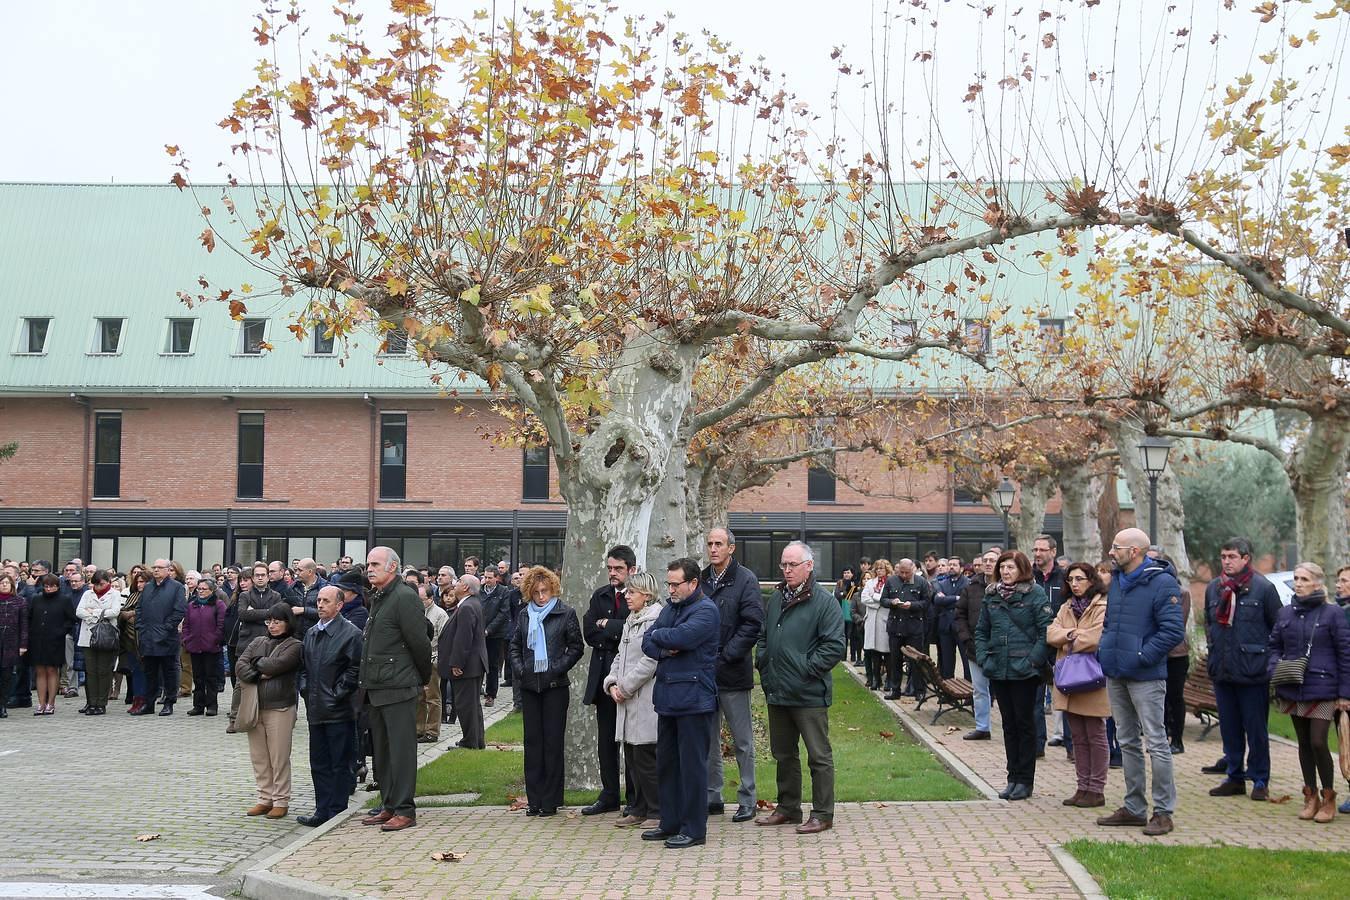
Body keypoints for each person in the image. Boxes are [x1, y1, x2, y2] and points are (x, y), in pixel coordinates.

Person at [1095, 528, 1185, 836]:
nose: (1111, 552)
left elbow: (1173, 631)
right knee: (1127, 741)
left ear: (1134, 551)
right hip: (1116, 672)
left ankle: (1163, 812)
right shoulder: (1118, 581)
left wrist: (1142, 656)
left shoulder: (1162, 583)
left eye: (1116, 547)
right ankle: (1134, 808)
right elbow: (1110, 623)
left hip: (1145, 676)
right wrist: (1105, 650)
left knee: (1156, 742)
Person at [754, 541, 846, 835]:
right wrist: (764, 664)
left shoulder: (824, 601)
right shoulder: (777, 598)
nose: (787, 570)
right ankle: (788, 808)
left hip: (808, 694)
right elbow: (764, 637)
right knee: (783, 754)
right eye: (783, 564)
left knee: (818, 756)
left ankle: (822, 813)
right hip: (778, 690)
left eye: (792, 564)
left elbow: (834, 647)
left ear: (809, 566)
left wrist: (806, 670)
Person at [634, 557, 720, 850]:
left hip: (695, 700)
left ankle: (694, 829)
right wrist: (663, 642)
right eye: (668, 583)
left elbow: (684, 637)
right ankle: (669, 822)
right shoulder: (670, 609)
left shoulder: (706, 611)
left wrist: (663, 639)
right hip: (668, 699)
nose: (670, 589)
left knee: (692, 767)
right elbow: (647, 642)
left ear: (693, 583)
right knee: (667, 766)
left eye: (675, 584)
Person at [1267, 562, 1350, 823]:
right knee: (1303, 744)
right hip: (1292, 686)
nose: (1299, 583)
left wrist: (1345, 693)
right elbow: (1273, 646)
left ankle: (1328, 798)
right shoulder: (1285, 613)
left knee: (1318, 742)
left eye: (1304, 579)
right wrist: (1275, 667)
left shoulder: (1332, 614)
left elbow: (1345, 654)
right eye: (1296, 578)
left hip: (1324, 688)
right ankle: (1310, 795)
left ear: (1317, 583)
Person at [359, 546, 433, 832]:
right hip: (378, 686)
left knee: (401, 752)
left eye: (375, 564)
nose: (370, 569)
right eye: (368, 564)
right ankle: (389, 804)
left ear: (393, 567)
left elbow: (419, 643)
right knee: (383, 752)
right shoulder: (379, 597)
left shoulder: (404, 597)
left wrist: (421, 677)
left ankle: (404, 809)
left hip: (399, 686)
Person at [1204, 537, 1282, 802]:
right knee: (1229, 728)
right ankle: (1234, 776)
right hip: (1223, 670)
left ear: (1246, 558)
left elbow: (1278, 630)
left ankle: (1260, 779)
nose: (1226, 561)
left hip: (1253, 672)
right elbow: (1209, 625)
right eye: (1223, 556)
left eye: (1232, 557)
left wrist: (1268, 661)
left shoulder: (1263, 588)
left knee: (1256, 729)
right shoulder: (1214, 588)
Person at [975, 550, 1052, 801]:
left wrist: (1032, 661)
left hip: (1024, 670)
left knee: (1024, 724)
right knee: (1008, 726)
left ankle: (1025, 780)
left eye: (1011, 567)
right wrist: (985, 658)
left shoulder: (1035, 594)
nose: (1006, 572)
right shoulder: (992, 595)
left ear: (1022, 570)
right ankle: (1012, 777)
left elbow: (1045, 632)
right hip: (998, 667)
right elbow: (981, 631)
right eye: (1003, 567)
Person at [509, 565, 584, 817]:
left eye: (546, 591)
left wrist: (555, 669)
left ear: (553, 590)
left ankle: (551, 800)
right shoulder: (523, 615)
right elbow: (515, 646)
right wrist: (520, 670)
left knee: (552, 742)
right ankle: (534, 799)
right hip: (530, 685)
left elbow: (576, 647)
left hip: (554, 686)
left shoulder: (565, 613)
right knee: (532, 743)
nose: (541, 597)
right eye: (537, 592)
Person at [701, 527, 763, 823]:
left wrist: (726, 656)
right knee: (708, 739)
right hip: (704, 672)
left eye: (719, 544)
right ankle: (713, 796)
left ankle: (747, 798)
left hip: (733, 671)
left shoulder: (745, 579)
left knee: (742, 740)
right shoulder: (701, 579)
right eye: (710, 544)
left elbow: (752, 624)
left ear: (731, 548)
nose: (713, 549)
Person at [297, 585, 364, 826]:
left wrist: (338, 693)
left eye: (326, 601)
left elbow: (355, 668)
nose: (320, 605)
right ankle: (321, 809)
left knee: (340, 763)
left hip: (339, 711)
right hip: (316, 709)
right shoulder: (312, 632)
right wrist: (305, 689)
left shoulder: (351, 633)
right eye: (318, 601)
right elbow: (304, 666)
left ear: (339, 605)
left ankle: (337, 811)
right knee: (319, 763)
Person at [603, 571, 664, 827]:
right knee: (631, 756)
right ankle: (638, 807)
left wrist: (625, 687)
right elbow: (621, 655)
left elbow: (649, 661)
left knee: (646, 756)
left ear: (646, 595)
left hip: (645, 698)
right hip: (627, 699)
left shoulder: (656, 619)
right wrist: (612, 682)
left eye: (632, 592)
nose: (627, 596)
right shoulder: (631, 619)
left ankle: (656, 810)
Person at [1046, 562, 1110, 807]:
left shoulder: (1103, 606)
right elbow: (1051, 634)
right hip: (1068, 679)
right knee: (1078, 737)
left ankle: (1097, 789)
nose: (1074, 584)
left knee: (1095, 734)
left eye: (1080, 579)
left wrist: (1068, 636)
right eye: (1071, 580)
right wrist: (1072, 636)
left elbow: (1096, 638)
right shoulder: (1066, 606)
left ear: (1091, 581)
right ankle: (1082, 786)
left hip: (1092, 678)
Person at [580, 545, 637, 816]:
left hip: (630, 680)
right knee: (606, 741)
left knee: (634, 741)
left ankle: (636, 797)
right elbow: (589, 632)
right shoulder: (600, 595)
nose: (613, 573)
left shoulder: (639, 597)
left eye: (619, 569)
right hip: (603, 677)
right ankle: (610, 794)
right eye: (610, 568)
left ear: (631, 570)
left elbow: (633, 631)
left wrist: (609, 626)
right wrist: (612, 630)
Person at [235, 603, 303, 819]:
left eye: (277, 621)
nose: (272, 625)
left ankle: (281, 799)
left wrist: (258, 665)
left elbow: (278, 665)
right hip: (255, 706)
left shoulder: (295, 645)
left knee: (279, 756)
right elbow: (240, 665)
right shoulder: (257, 641)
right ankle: (265, 797)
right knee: (259, 756)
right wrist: (257, 672)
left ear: (287, 623)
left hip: (281, 706)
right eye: (269, 621)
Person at [227, 563, 284, 732]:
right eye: (257, 575)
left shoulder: (276, 595)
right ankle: (234, 719)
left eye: (263, 575)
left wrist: (257, 613)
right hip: (246, 643)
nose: (260, 577)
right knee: (241, 682)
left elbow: (278, 615)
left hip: (269, 642)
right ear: (252, 578)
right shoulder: (245, 595)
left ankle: (266, 718)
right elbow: (243, 614)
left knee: (268, 681)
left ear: (268, 577)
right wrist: (268, 613)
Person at [439, 571, 488, 750]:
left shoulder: (467, 606)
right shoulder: (471, 604)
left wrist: (457, 663)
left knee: (466, 705)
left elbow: (464, 638)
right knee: (472, 705)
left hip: (468, 665)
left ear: (466, 587)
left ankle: (470, 741)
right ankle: (476, 740)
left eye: (458, 581)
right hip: (474, 664)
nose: (455, 583)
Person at [135, 560, 188, 717]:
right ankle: (149, 703)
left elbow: (179, 611)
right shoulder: (149, 587)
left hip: (167, 638)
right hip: (147, 637)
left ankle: (168, 703)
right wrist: (140, 627)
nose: (156, 570)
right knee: (150, 672)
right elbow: (139, 608)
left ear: (168, 570)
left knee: (169, 672)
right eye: (154, 567)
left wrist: (166, 629)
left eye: (160, 568)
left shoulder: (176, 587)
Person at [956, 549, 999, 741]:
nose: (988, 563)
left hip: (1001, 648)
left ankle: (1010, 728)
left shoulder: (1008, 586)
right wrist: (966, 638)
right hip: (975, 647)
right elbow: (960, 615)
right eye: (985, 560)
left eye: (992, 560)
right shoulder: (971, 587)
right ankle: (982, 727)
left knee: (1004, 691)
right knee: (979, 690)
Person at [880, 558, 932, 700]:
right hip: (896, 627)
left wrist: (912, 605)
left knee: (916, 661)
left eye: (907, 573)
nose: (903, 575)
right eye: (901, 572)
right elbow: (883, 600)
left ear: (913, 570)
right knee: (895, 660)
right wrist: (892, 602)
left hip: (914, 627)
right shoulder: (891, 581)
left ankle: (919, 690)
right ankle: (895, 690)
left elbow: (927, 603)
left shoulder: (921, 582)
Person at [74, 570, 123, 716]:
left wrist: (93, 613)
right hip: (88, 637)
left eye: (101, 584)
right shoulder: (87, 594)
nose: (99, 587)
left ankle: (101, 703)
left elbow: (114, 612)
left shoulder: (114, 594)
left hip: (105, 637)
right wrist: (101, 613)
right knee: (91, 671)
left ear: (108, 582)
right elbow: (79, 611)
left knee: (104, 670)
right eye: (96, 584)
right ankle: (91, 702)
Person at [181, 576, 226, 716]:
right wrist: (187, 639)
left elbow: (221, 625)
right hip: (194, 646)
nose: (200, 591)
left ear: (211, 590)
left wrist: (215, 639)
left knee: (211, 677)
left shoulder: (218, 605)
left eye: (204, 589)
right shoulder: (191, 605)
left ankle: (212, 706)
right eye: (199, 589)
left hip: (211, 647)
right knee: (198, 677)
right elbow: (186, 625)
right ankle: (198, 705)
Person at [418, 582, 450, 744]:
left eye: (421, 599)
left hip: (433, 658)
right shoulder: (416, 611)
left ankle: (432, 731)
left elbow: (444, 639)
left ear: (430, 599)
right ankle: (420, 728)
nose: (418, 601)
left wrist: (439, 660)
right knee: (419, 696)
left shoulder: (440, 614)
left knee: (432, 696)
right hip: (418, 659)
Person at [933, 557, 969, 680]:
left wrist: (947, 599)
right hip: (945, 626)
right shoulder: (941, 584)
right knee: (946, 661)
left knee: (966, 661)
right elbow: (937, 600)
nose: (951, 567)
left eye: (955, 565)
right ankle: (947, 692)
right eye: (950, 564)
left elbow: (965, 601)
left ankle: (969, 693)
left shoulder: (967, 583)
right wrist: (956, 598)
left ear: (962, 568)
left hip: (961, 625)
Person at [479, 567, 510, 708]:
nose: (487, 580)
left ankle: (490, 694)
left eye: (490, 577)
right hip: (478, 633)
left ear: (497, 578)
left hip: (495, 634)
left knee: (492, 664)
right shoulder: (479, 591)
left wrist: (489, 630)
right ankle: (477, 690)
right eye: (485, 577)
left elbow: (503, 613)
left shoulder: (503, 592)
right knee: (477, 663)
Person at [860, 560, 892, 692]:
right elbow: (864, 598)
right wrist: (879, 602)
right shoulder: (870, 582)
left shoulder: (890, 583)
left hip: (884, 621)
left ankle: (889, 680)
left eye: (882, 569)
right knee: (874, 652)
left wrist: (876, 597)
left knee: (886, 652)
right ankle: (875, 679)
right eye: (877, 569)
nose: (879, 571)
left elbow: (888, 600)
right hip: (871, 620)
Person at [0, 574, 28, 718]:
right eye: (2, 582)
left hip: (11, 642)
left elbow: (24, 625)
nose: (4, 585)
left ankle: (2, 705)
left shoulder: (20, 601)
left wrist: (23, 644)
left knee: (6, 674)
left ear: (12, 585)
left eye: (7, 583)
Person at [835, 566, 860, 666]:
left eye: (848, 572)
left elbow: (856, 595)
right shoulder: (840, 583)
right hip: (842, 612)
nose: (846, 574)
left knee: (854, 635)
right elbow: (838, 595)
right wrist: (845, 593)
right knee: (844, 634)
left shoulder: (856, 584)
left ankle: (853, 655)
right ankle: (843, 656)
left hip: (853, 612)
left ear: (852, 574)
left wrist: (845, 593)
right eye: (845, 573)